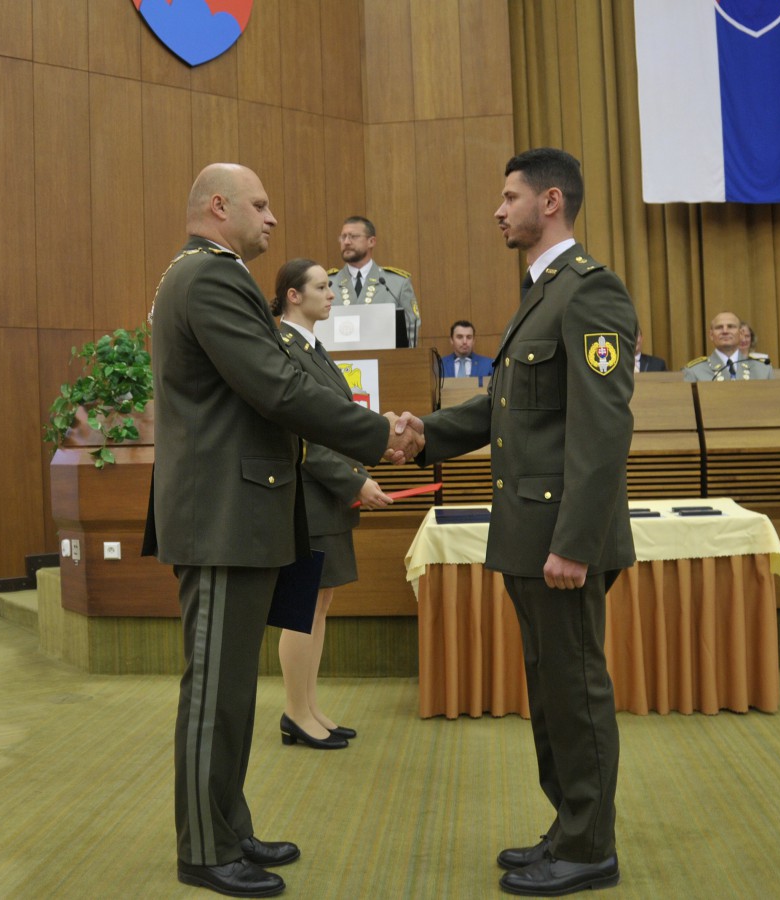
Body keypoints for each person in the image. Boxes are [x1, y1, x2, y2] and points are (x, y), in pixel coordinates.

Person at [143, 163, 424, 899]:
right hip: (219, 516)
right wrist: (376, 434)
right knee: (215, 690)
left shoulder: (209, 276)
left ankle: (228, 827)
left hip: (233, 513)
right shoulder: (211, 277)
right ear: (218, 206)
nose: (272, 219)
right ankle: (204, 850)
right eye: (260, 205)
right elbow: (275, 385)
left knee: (233, 688)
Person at [417, 148, 633, 896]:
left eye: (509, 196)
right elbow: (506, 408)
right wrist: (423, 434)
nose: (497, 209)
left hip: (559, 539)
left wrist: (574, 543)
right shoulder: (542, 292)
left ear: (550, 202)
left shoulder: (590, 292)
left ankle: (589, 848)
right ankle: (568, 824)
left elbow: (602, 429)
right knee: (549, 692)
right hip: (527, 533)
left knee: (575, 691)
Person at [270, 258, 393, 752]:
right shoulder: (283, 346)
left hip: (326, 496)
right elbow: (301, 434)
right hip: (306, 496)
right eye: (322, 287)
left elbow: (337, 419)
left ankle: (309, 706)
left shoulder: (311, 346)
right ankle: (295, 712)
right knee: (302, 606)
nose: (331, 294)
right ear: (293, 295)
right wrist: (354, 481)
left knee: (320, 603)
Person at [329, 216, 421, 346]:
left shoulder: (397, 283)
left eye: (353, 236)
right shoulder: (328, 284)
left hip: (385, 357)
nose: (347, 242)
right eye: (343, 237)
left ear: (371, 241)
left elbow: (411, 329)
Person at [683, 312, 773, 381]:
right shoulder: (695, 371)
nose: (725, 331)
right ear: (711, 335)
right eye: (719, 327)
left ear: (741, 334)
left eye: (731, 327)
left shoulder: (762, 369)